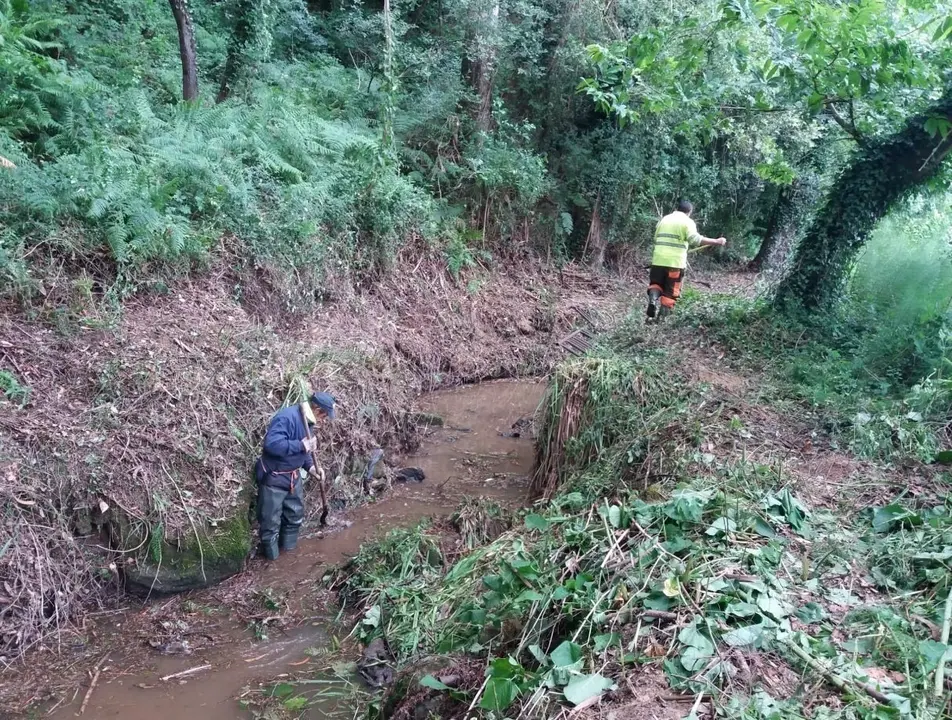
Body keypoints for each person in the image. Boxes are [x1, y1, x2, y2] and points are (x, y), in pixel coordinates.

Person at [254, 391, 336, 560]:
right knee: (270, 524)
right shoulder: (288, 417)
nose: (324, 420)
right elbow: (271, 444)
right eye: (325, 416)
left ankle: (289, 557)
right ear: (317, 409)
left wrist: (312, 468)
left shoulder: (308, 422)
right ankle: (273, 563)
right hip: (274, 478)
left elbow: (305, 452)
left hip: (293, 477)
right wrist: (300, 445)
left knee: (294, 517)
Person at [647, 200, 727, 321]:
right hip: (675, 263)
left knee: (656, 284)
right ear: (689, 212)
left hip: (658, 260)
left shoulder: (664, 220)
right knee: (671, 291)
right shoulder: (687, 222)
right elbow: (695, 239)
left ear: (677, 208)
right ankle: (661, 320)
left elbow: (656, 238)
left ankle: (653, 299)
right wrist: (716, 241)